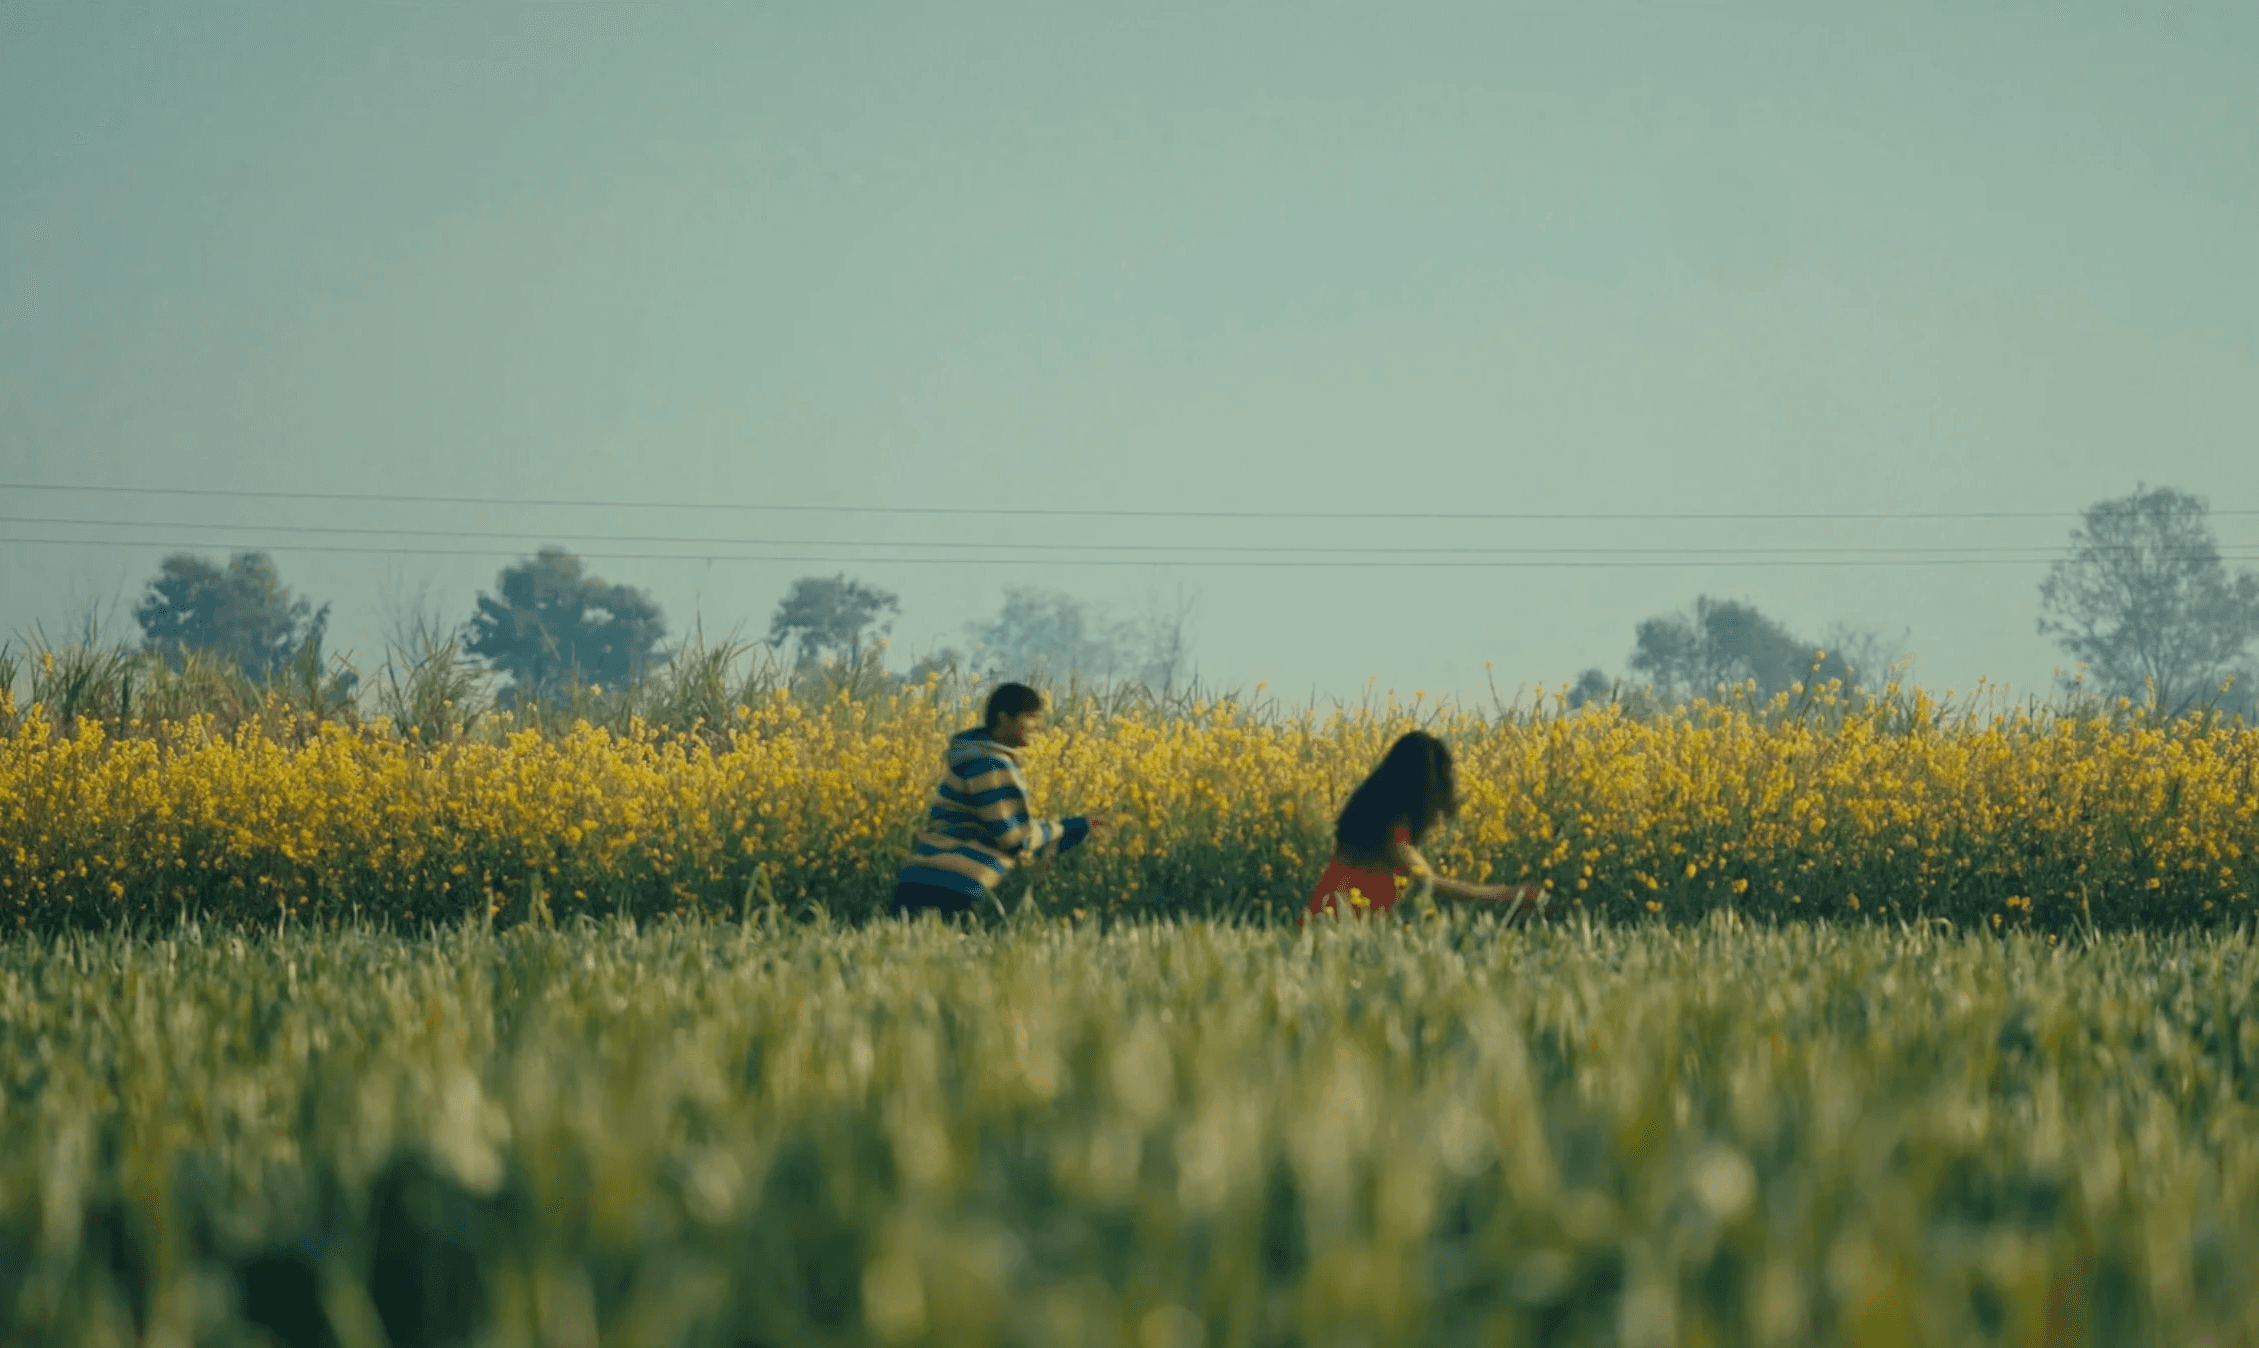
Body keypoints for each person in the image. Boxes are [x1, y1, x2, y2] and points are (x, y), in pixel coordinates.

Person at [892, 682, 1107, 919]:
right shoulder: (990, 764)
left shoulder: (973, 757)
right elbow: (1015, 839)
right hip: (954, 882)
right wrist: (1068, 827)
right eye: (1030, 718)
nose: (1038, 726)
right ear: (1004, 719)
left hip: (924, 876)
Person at [1308, 730, 1550, 920]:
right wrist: (1510, 895)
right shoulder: (1389, 832)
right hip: (1338, 931)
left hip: (1330, 926)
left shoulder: (1367, 822)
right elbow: (1432, 884)